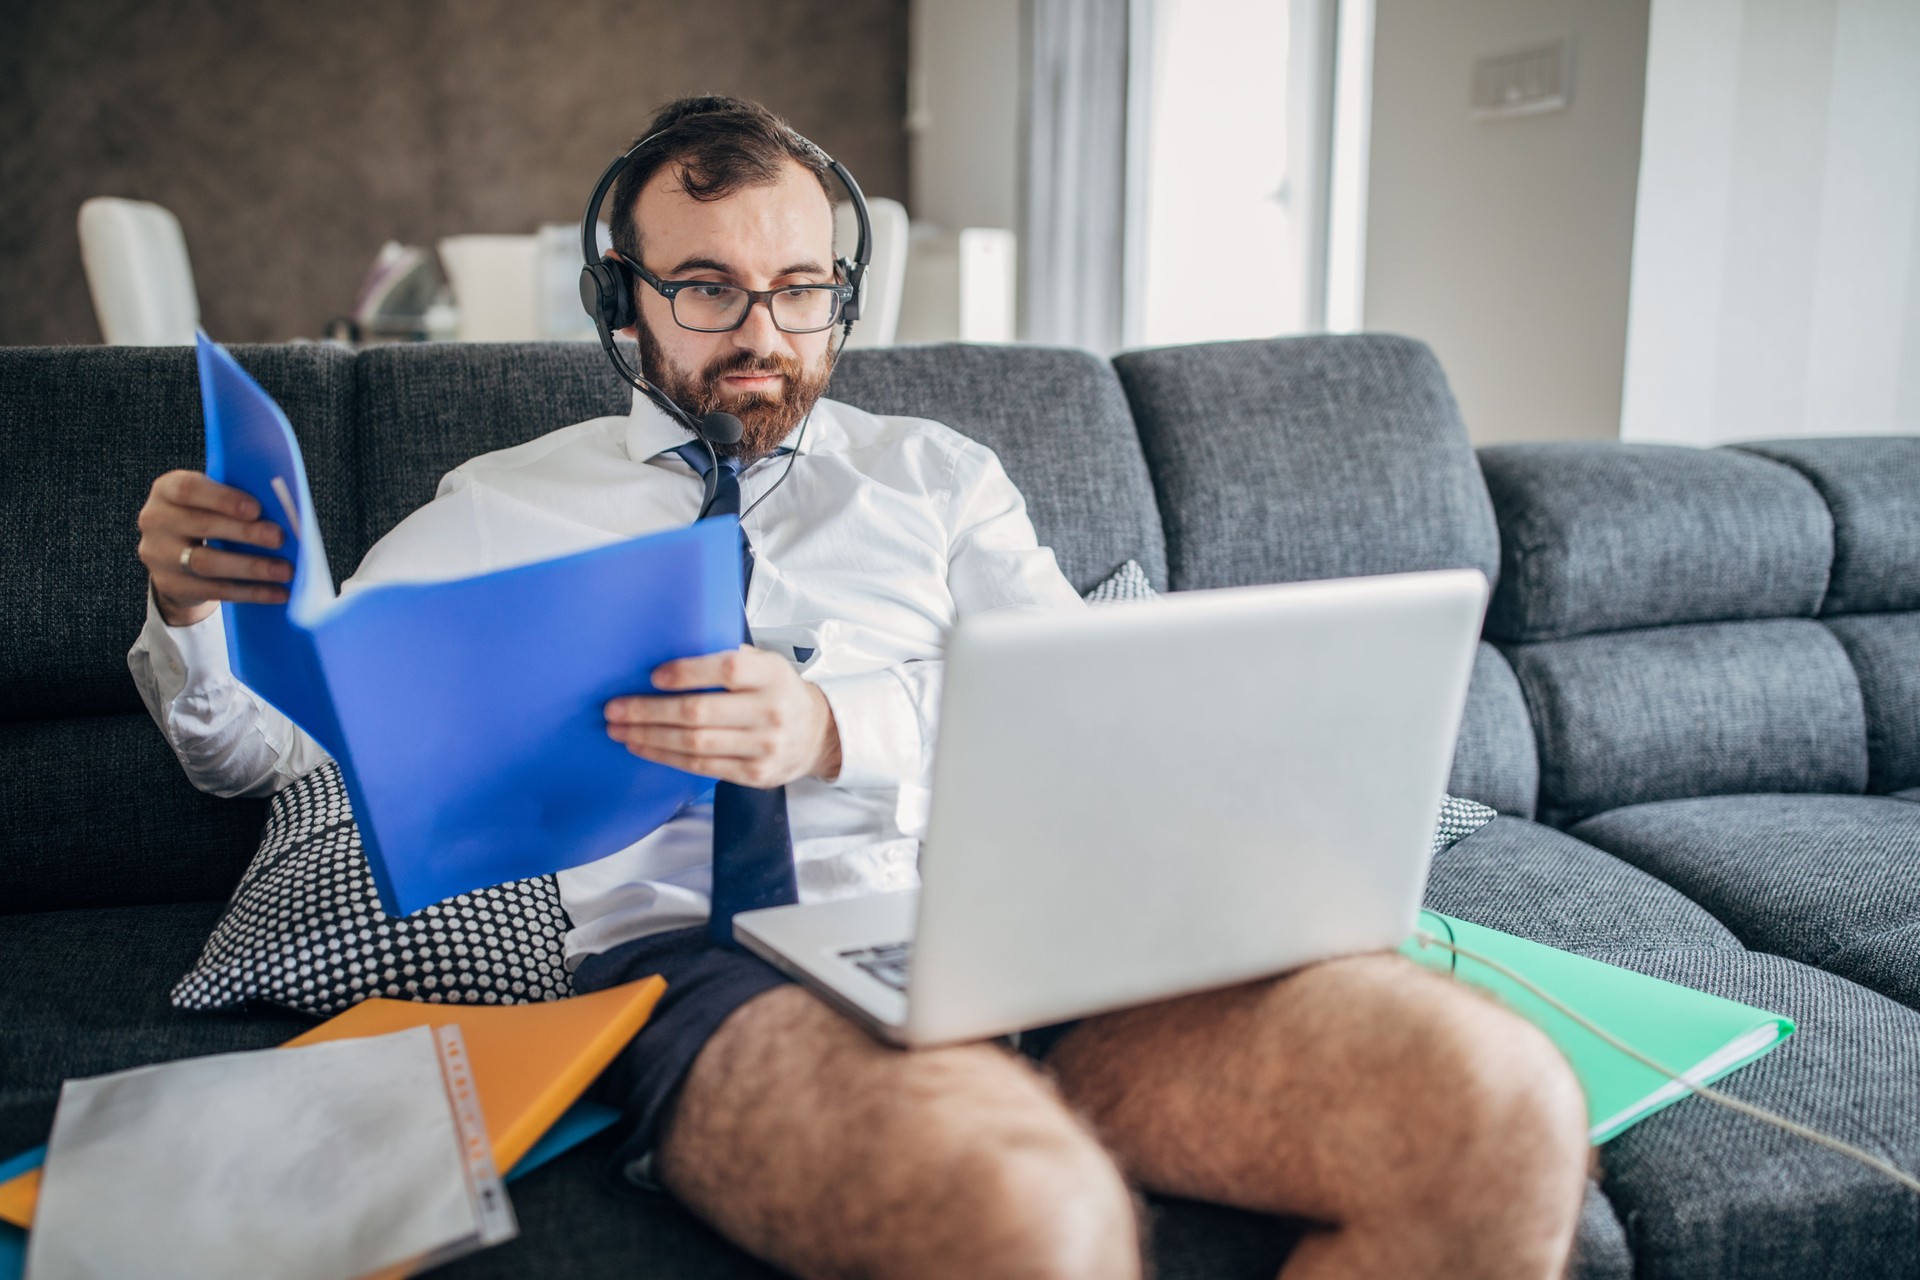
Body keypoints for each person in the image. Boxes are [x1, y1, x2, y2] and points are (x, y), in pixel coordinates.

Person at [130, 96, 1591, 1279]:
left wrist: (839, 727)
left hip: (1050, 932)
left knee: (1506, 1116)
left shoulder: (941, 481)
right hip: (714, 978)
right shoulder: (495, 508)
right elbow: (260, 747)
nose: (760, 331)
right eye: (705, 286)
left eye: (801, 288)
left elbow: (1080, 718)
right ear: (621, 301)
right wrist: (197, 614)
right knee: (1030, 1224)